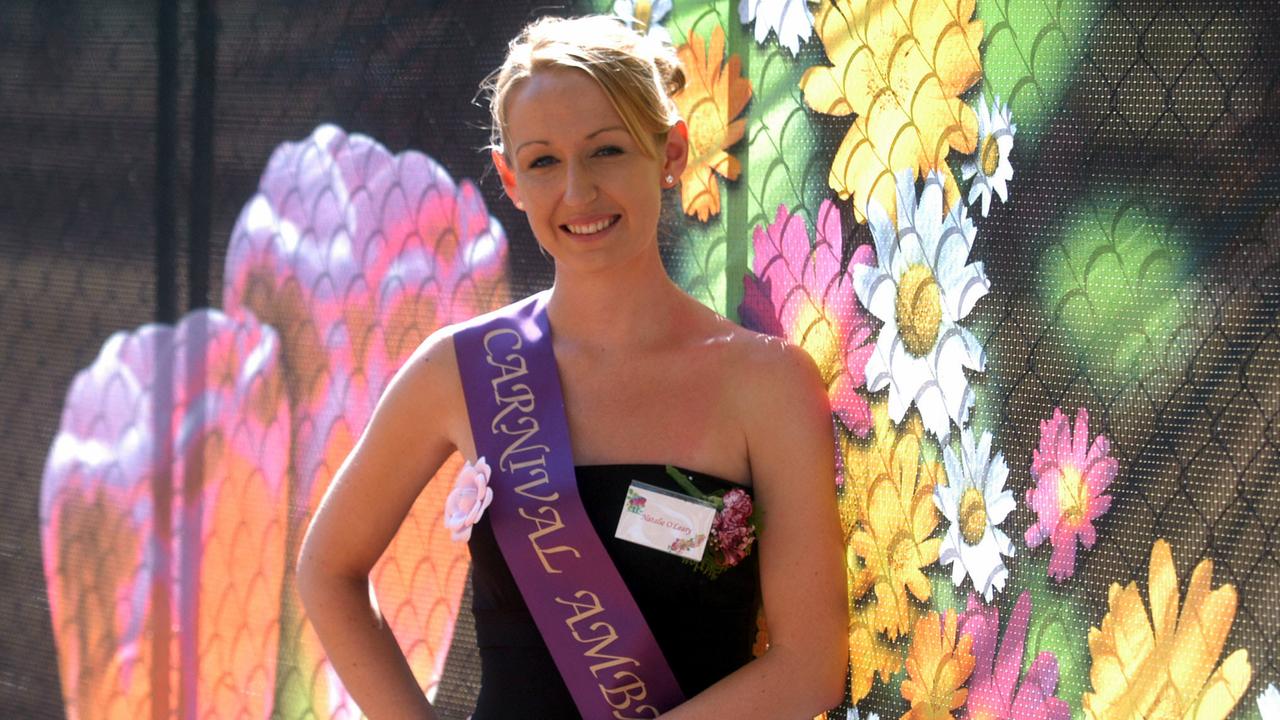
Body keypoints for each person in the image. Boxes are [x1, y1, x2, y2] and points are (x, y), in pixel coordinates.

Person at [297, 14, 846, 719]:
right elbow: (327, 570)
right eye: (543, 162)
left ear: (672, 151)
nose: (578, 192)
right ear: (510, 177)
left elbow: (809, 668)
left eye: (608, 151)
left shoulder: (768, 385)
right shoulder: (460, 372)